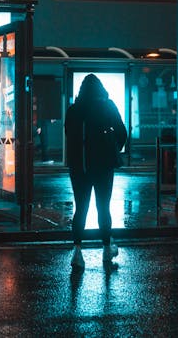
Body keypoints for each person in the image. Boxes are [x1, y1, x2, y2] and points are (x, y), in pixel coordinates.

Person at [64, 74, 127, 269]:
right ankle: (107, 250)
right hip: (103, 166)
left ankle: (77, 251)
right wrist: (112, 148)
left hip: (79, 166)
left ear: (82, 91)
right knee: (103, 207)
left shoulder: (74, 110)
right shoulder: (108, 106)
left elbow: (68, 134)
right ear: (101, 89)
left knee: (81, 208)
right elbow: (122, 133)